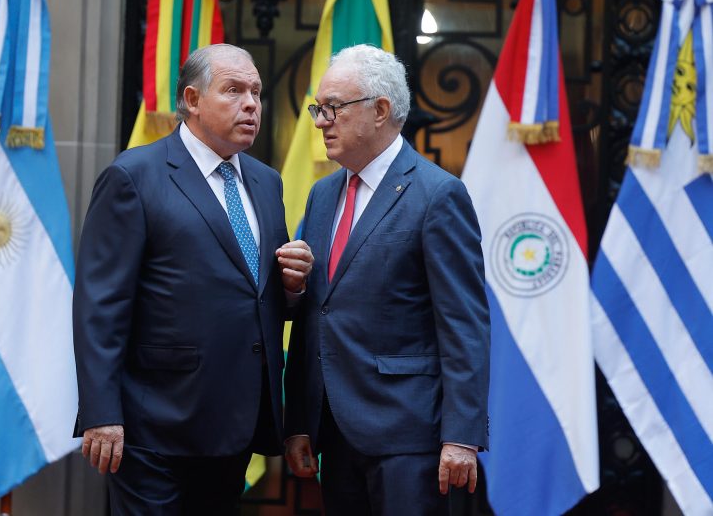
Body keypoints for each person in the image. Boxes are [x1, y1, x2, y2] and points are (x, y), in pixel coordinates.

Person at [72, 44, 313, 515]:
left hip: (235, 422)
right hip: (153, 423)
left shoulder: (266, 182)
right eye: (234, 90)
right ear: (192, 99)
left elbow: (258, 295)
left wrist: (293, 287)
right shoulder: (134, 176)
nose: (251, 104)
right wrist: (101, 413)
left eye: (256, 92)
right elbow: (100, 305)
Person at [284, 44, 490, 516]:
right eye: (318, 109)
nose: (320, 122)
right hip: (334, 433)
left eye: (333, 107)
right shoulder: (322, 194)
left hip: (410, 437)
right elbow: (317, 312)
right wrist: (299, 420)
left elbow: (464, 324)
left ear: (380, 110)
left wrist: (461, 436)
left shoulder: (438, 195)